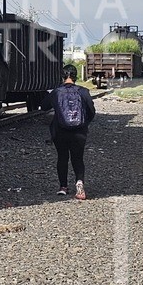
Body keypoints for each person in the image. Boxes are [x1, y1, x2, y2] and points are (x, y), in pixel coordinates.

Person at [46, 64, 96, 199]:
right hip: (79, 132)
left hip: (60, 131)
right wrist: (84, 123)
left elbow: (44, 106)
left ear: (62, 76)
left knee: (62, 157)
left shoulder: (56, 92)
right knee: (78, 158)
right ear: (76, 77)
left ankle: (63, 186)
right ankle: (79, 183)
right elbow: (92, 111)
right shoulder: (83, 91)